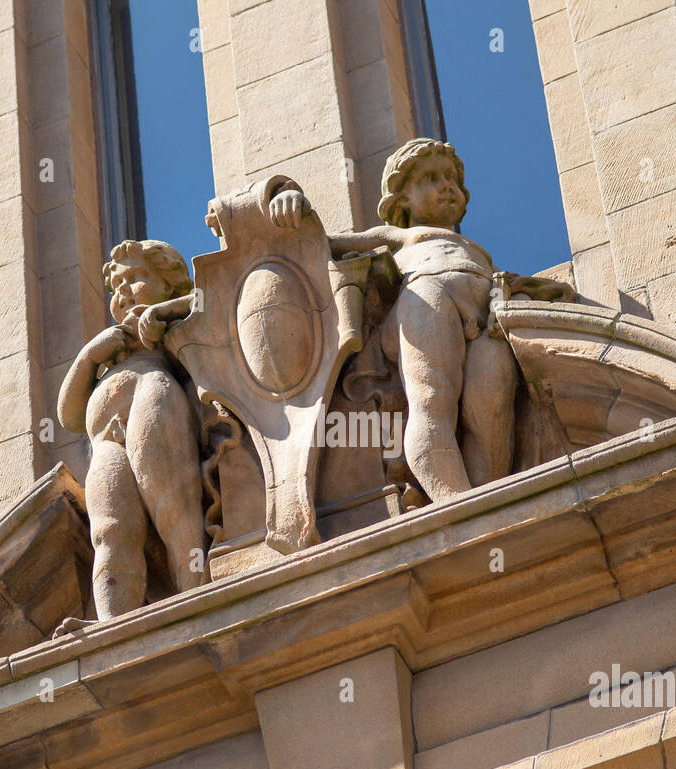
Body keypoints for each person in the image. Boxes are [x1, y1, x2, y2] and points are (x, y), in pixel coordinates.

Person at [268, 138, 519, 502]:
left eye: (451, 178)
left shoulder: (480, 253)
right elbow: (319, 244)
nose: (446, 185)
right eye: (430, 179)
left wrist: (501, 297)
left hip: (483, 320)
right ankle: (452, 500)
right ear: (401, 201)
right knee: (433, 402)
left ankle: (483, 503)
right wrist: (288, 198)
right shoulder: (399, 236)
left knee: (493, 408)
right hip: (428, 298)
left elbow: (515, 286)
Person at [54, 240, 206, 632]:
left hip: (154, 397)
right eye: (117, 285)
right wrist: (89, 357)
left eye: (136, 278)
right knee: (109, 527)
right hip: (106, 438)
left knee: (171, 500)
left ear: (169, 282)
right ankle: (110, 624)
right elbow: (68, 415)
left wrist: (166, 313)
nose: (123, 291)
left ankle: (195, 590)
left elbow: (213, 304)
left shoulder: (172, 320)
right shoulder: (108, 351)